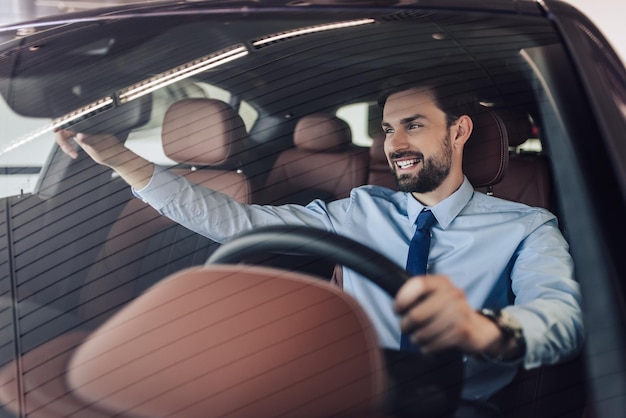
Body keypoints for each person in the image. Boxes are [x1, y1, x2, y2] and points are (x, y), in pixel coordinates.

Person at [55, 78, 583, 411]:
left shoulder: (527, 226)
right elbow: (239, 225)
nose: (394, 144)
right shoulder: (361, 208)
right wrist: (126, 162)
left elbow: (562, 320)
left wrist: (482, 327)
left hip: (457, 405)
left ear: (459, 131)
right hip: (344, 393)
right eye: (387, 129)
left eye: (414, 126)